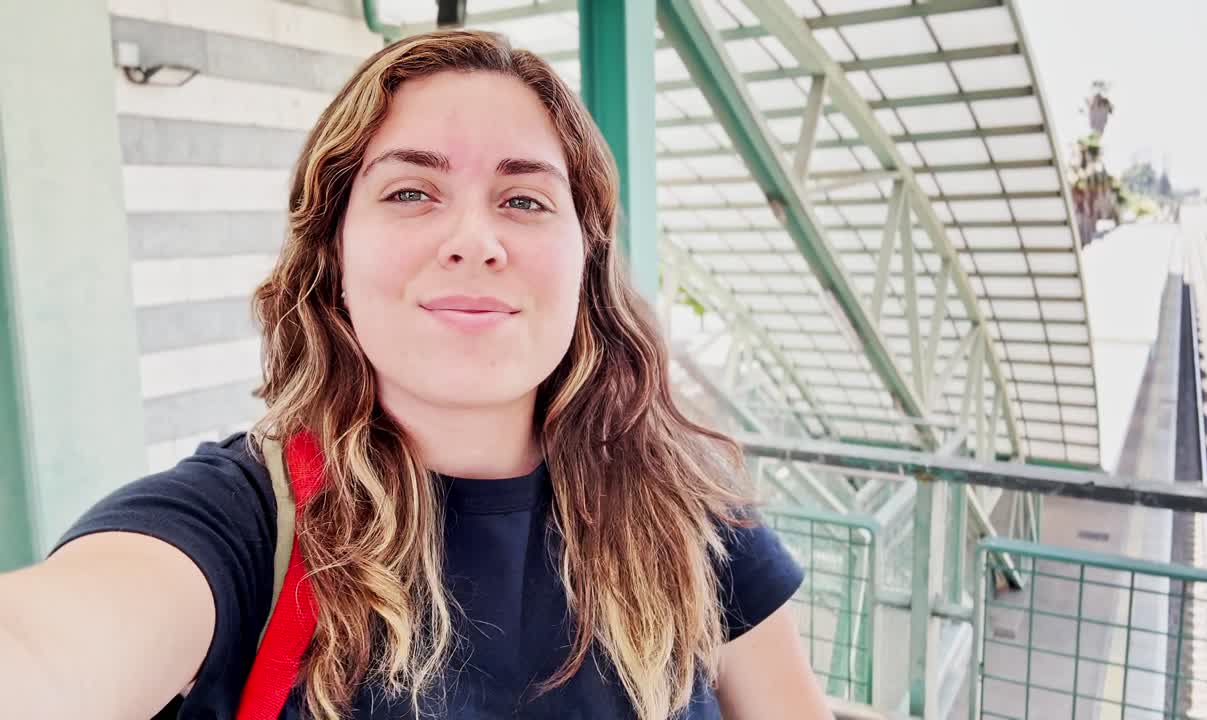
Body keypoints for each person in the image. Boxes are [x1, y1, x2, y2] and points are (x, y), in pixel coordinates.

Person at [0, 30, 831, 720]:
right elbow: (47, 646)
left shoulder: (692, 518)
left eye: (524, 200)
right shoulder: (239, 525)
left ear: (589, 257)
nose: (473, 239)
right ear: (333, 252)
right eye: (409, 192)